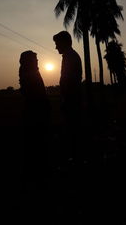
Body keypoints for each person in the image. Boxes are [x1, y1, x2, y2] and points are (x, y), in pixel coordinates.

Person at [19, 50, 51, 190]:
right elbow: (35, 95)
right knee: (36, 143)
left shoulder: (28, 71)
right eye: (35, 59)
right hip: (35, 114)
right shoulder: (29, 73)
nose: (38, 62)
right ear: (30, 61)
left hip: (35, 113)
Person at [53, 31, 83, 162]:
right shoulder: (70, 56)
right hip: (72, 100)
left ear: (64, 42)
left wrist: (65, 99)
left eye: (57, 44)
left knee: (72, 132)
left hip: (72, 101)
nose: (56, 47)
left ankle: (74, 159)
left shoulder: (70, 57)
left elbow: (68, 81)